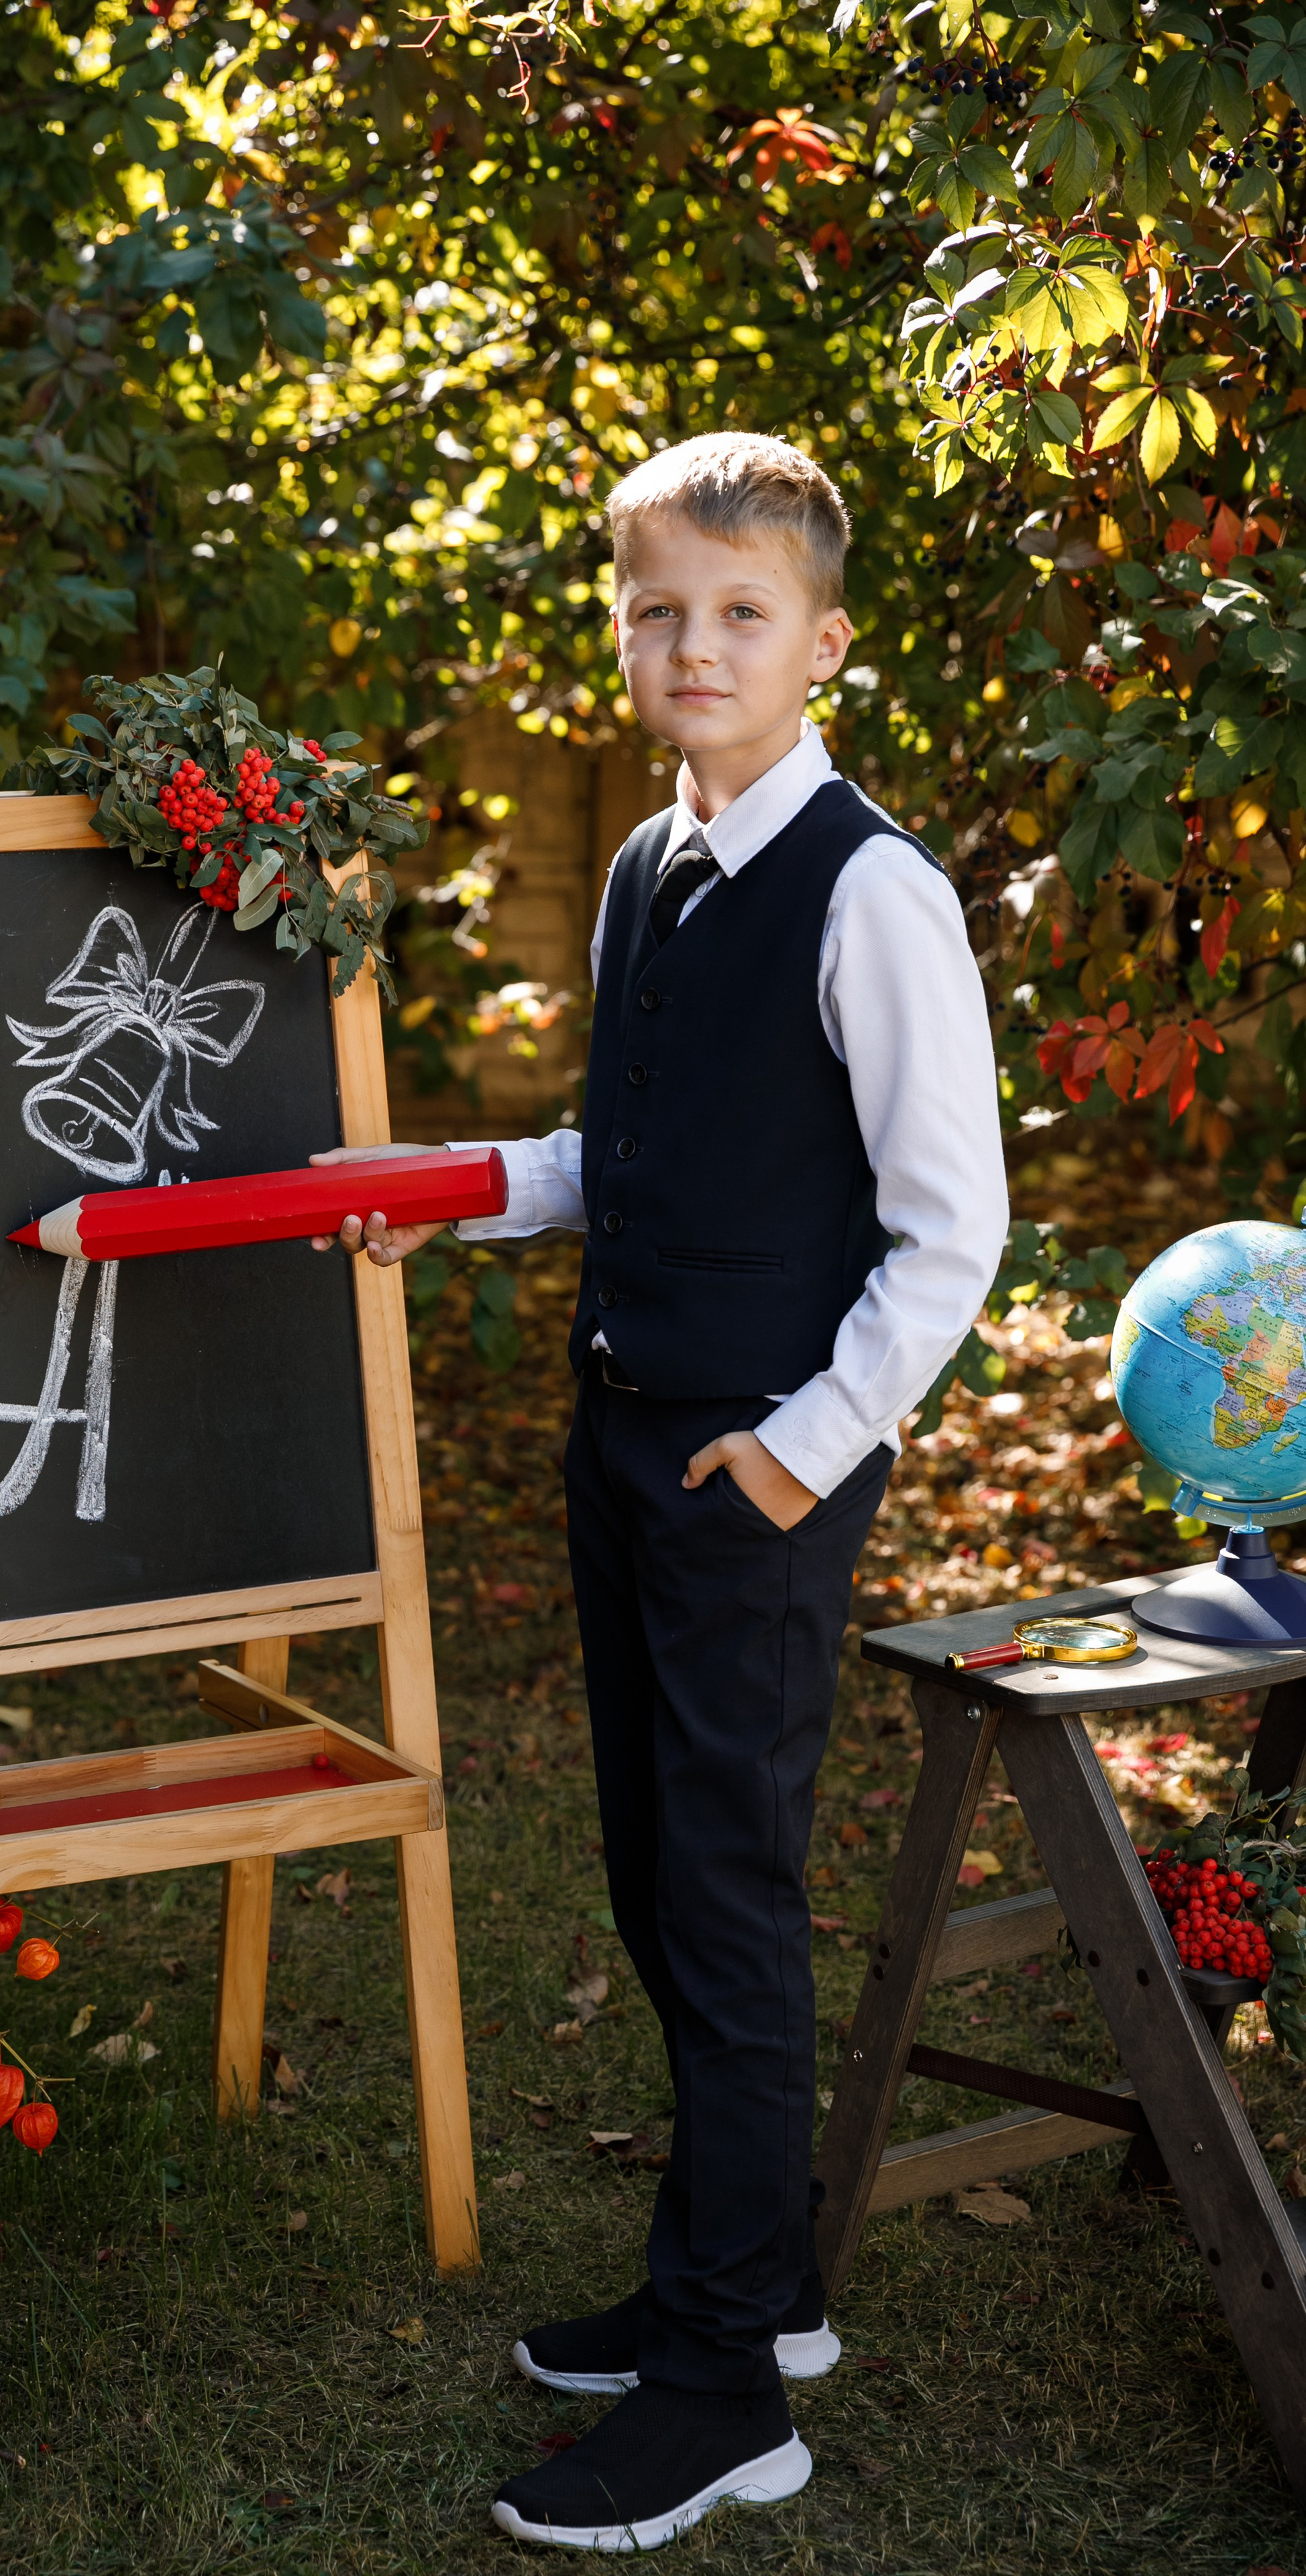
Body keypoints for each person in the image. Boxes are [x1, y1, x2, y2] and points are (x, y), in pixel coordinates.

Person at [313, 430, 1008, 2552]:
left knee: (726, 1900)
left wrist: (803, 1448)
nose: (693, 644)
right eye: (656, 610)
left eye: (739, 611)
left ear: (824, 640)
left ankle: (729, 2396)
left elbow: (951, 1227)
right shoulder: (644, 865)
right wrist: (461, 1191)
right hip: (625, 1441)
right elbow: (637, 1154)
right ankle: (754, 2271)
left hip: (755, 1476)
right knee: (648, 1864)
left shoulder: (872, 888)